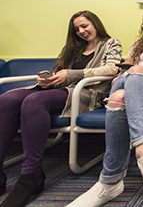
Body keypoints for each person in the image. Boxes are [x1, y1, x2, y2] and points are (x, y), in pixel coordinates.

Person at [0, 11, 122, 207]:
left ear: (95, 24)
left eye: (85, 26)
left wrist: (71, 75)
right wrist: (50, 79)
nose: (81, 31)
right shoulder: (73, 48)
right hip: (60, 90)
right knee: (7, 99)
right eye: (77, 29)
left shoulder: (110, 43)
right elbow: (60, 72)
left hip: (86, 93)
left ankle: (31, 174)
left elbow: (111, 69)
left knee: (33, 102)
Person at [69, 3, 143, 207]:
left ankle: (110, 179)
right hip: (129, 81)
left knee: (118, 98)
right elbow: (124, 70)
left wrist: (142, 72)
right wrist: (133, 73)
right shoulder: (137, 44)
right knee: (129, 80)